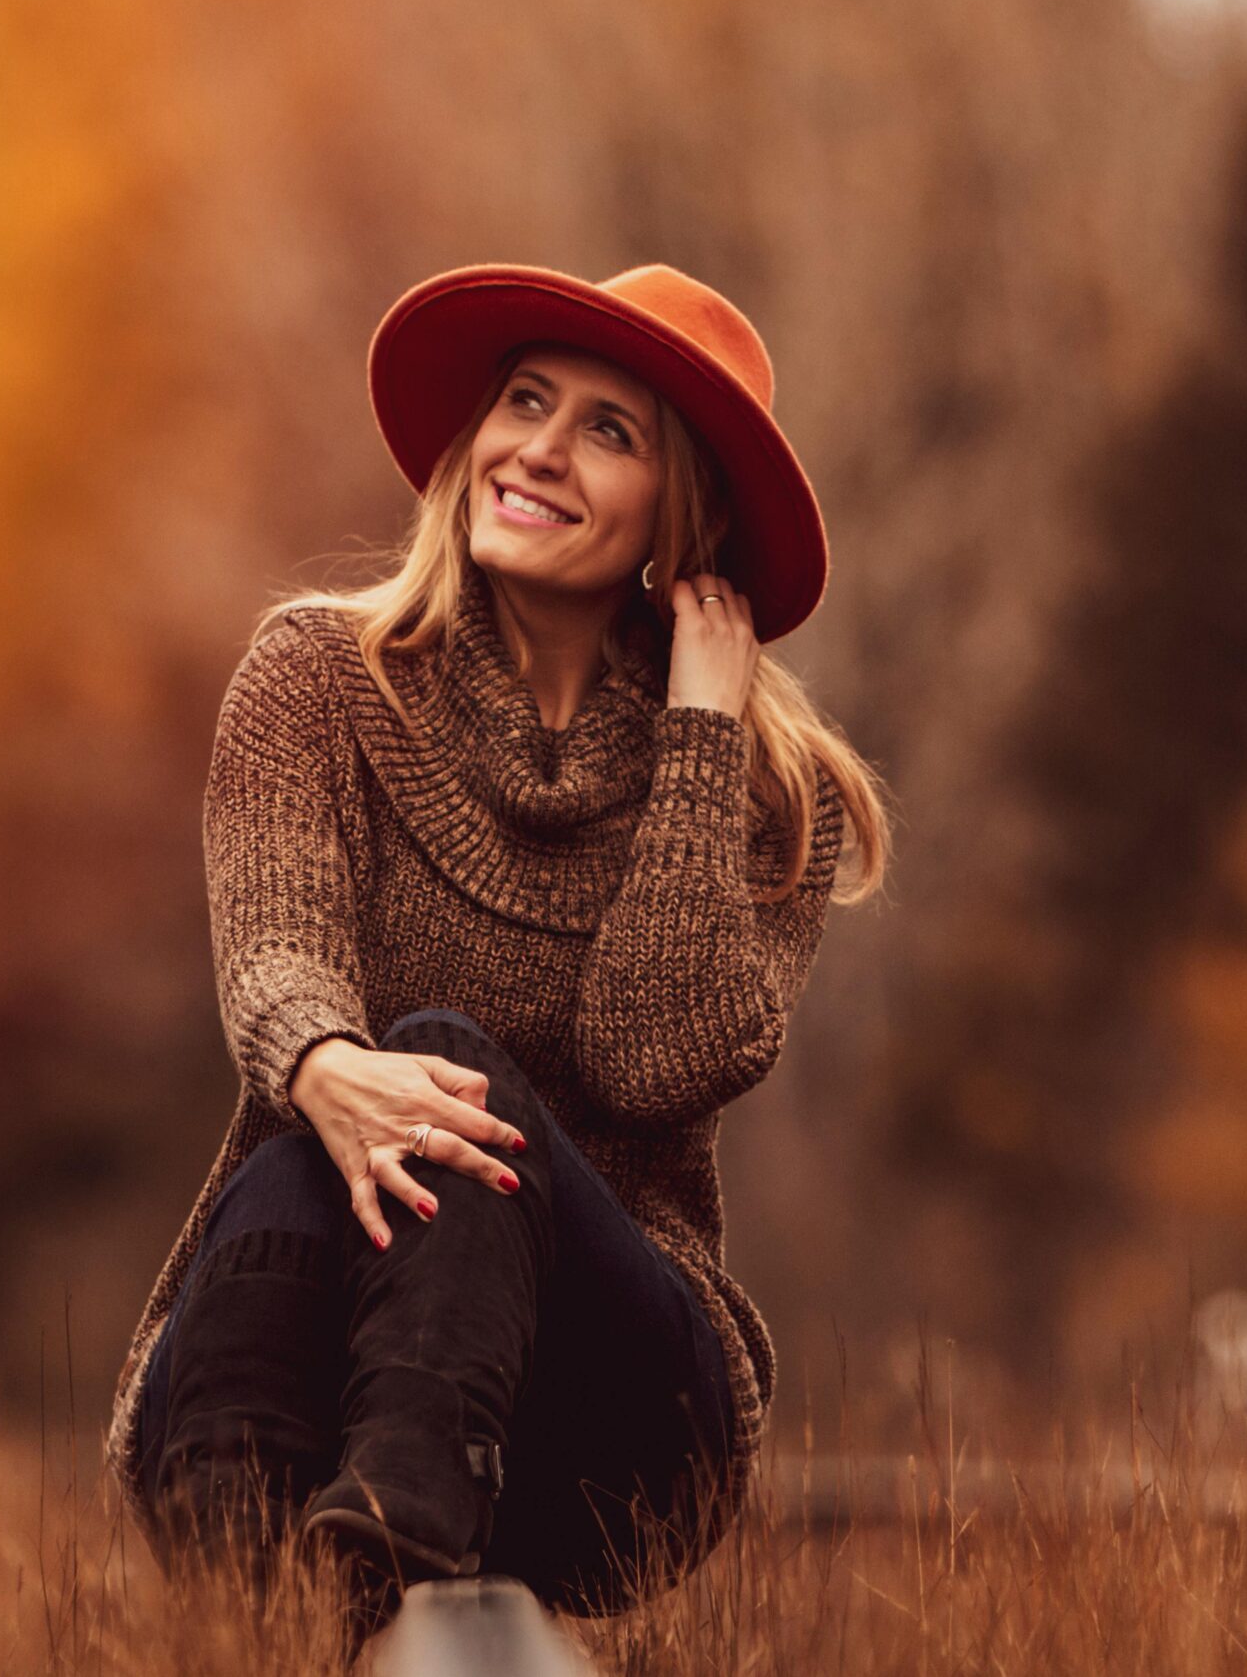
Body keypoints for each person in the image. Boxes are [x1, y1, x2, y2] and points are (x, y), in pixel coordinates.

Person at [104, 259, 891, 1640]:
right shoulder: (314, 679)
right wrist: (325, 1064)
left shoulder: (775, 794)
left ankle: (401, 1516)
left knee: (443, 1064)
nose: (537, 444)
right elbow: (277, 951)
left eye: (609, 427)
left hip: (613, 1419)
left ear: (681, 510)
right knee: (304, 1153)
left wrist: (700, 740)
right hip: (302, 1348)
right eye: (526, 400)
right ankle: (237, 1573)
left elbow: (654, 1059)